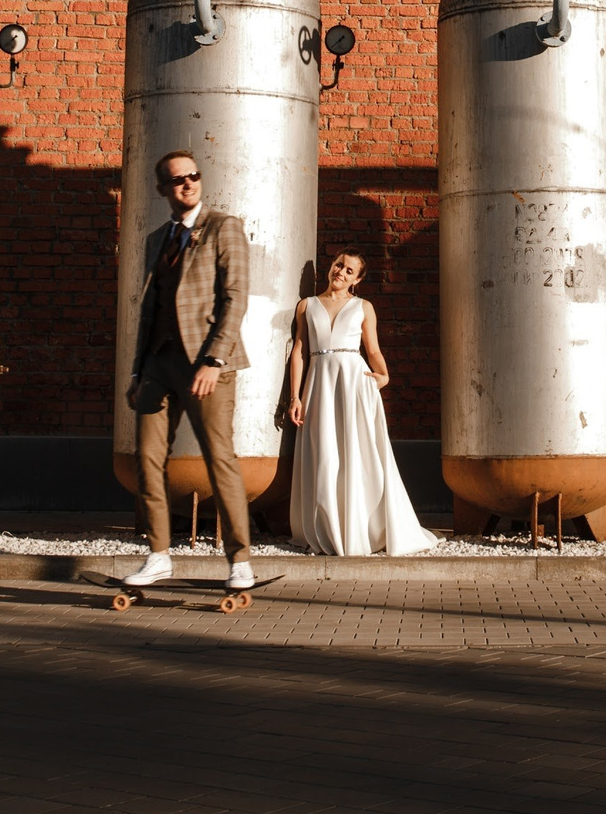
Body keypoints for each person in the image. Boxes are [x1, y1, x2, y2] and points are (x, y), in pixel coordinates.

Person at [124, 150, 256, 591]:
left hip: (206, 362)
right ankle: (159, 555)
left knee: (219, 458)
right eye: (177, 180)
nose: (188, 184)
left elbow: (235, 298)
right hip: (158, 362)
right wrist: (138, 371)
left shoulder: (223, 227)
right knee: (146, 459)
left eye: (193, 176)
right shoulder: (157, 237)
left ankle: (239, 560)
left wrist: (214, 360)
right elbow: (150, 308)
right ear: (163, 188)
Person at [285, 251, 438, 557]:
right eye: (338, 264)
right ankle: (328, 528)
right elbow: (300, 351)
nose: (340, 271)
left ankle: (364, 527)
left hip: (354, 384)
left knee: (357, 452)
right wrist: (294, 397)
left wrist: (384, 376)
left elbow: (373, 349)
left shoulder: (363, 307)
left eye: (349, 269)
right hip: (319, 384)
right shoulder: (307, 305)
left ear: (358, 279)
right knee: (324, 453)